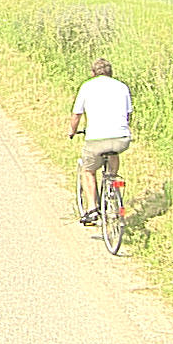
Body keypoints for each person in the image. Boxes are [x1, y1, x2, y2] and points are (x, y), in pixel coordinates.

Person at [67, 58, 131, 225]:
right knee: (113, 152)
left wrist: (72, 131)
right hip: (121, 138)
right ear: (111, 73)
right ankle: (112, 185)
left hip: (96, 138)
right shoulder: (122, 86)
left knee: (88, 170)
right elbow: (128, 114)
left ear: (93, 73)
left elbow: (76, 114)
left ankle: (92, 209)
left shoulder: (87, 86)